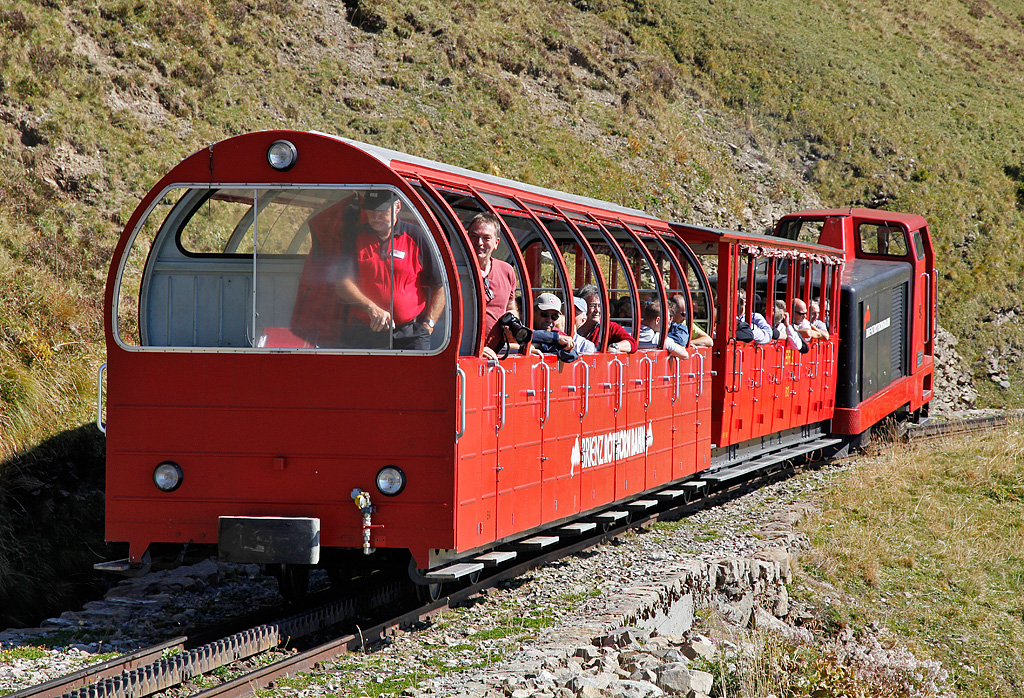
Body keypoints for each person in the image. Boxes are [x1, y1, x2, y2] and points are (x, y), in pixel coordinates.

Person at [337, 190, 445, 350]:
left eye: (381, 211)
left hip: (410, 334)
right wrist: (371, 308)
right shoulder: (356, 237)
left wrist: (428, 325)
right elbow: (342, 283)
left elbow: (440, 285)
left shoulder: (417, 236)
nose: (375, 217)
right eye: (371, 211)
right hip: (365, 331)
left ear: (398, 207)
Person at [465, 212, 517, 360]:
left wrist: (516, 334)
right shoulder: (456, 270)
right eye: (474, 236)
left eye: (486, 238)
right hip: (465, 354)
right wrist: (477, 348)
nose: (479, 242)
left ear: (496, 243)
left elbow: (510, 309)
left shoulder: (507, 270)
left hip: (496, 354)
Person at [575, 284, 637, 353]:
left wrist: (615, 347)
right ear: (580, 306)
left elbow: (632, 343)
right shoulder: (569, 324)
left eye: (600, 306)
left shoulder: (608, 327)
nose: (597, 310)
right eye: (593, 306)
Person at [530, 293, 579, 362]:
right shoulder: (524, 328)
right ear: (534, 313)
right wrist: (555, 338)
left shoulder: (559, 334)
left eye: (554, 317)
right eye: (544, 314)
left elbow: (571, 355)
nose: (549, 320)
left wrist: (541, 345)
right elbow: (530, 334)